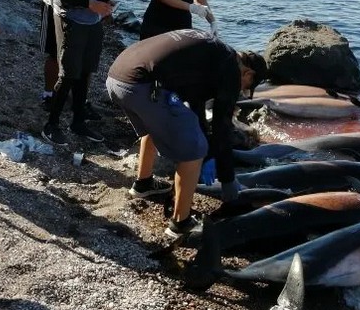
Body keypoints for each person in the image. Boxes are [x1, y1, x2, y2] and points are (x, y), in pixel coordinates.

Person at [105, 29, 267, 238]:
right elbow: (222, 126)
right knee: (194, 150)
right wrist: (227, 179)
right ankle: (180, 223)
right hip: (140, 87)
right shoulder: (230, 69)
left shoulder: (212, 50)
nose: (242, 91)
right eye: (246, 88)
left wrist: (210, 154)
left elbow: (196, 105)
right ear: (248, 74)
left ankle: (143, 184)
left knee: (160, 124)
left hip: (117, 76)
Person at [41, 0, 118, 146]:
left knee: (86, 70)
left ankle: (78, 121)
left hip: (91, 19)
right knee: (68, 73)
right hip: (70, 19)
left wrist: (104, 1)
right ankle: (51, 124)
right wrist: (90, 4)